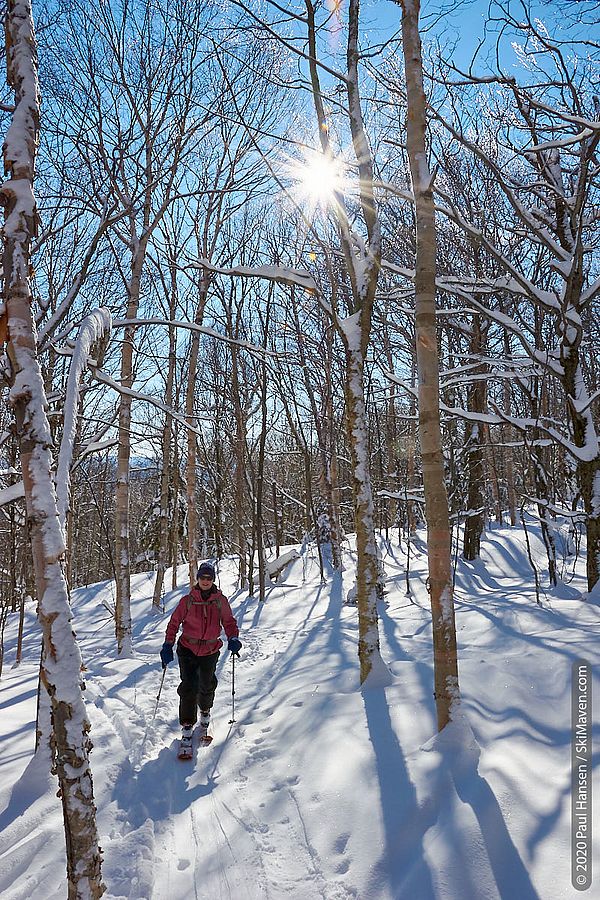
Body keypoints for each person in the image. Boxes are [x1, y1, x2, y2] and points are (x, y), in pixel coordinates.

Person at [160, 562, 241, 751]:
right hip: (187, 648)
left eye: (209, 578)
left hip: (210, 650)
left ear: (213, 580)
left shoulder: (220, 601)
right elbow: (173, 623)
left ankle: (205, 712)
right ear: (197, 579)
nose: (205, 581)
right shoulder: (187, 601)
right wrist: (167, 644)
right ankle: (187, 726)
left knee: (207, 684)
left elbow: (229, 621)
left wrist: (233, 636)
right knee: (188, 686)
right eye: (202, 577)